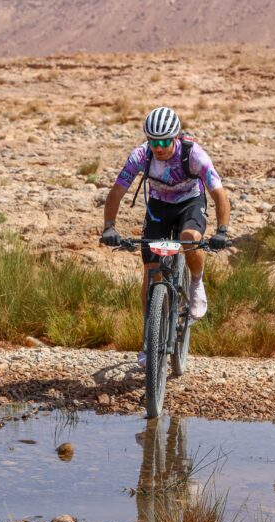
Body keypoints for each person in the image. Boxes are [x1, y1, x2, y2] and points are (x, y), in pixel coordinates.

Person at [99, 106, 231, 367]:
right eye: (153, 141)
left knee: (190, 237)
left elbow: (219, 193)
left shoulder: (193, 155)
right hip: (158, 207)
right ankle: (149, 340)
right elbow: (117, 191)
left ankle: (195, 283)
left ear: (176, 137)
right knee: (151, 274)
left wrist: (222, 231)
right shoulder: (140, 156)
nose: (158, 147)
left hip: (189, 204)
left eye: (163, 141)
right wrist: (109, 227)